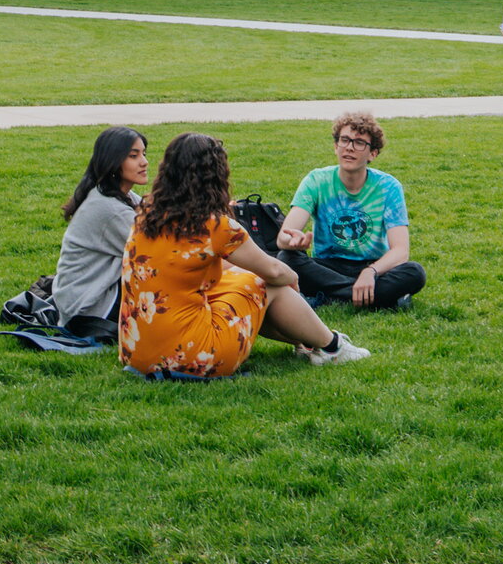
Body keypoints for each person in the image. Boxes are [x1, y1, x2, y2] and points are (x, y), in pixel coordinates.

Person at [121, 132, 370, 378]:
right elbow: (273, 270)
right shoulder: (215, 226)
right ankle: (332, 346)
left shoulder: (147, 211)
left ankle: (310, 343)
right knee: (265, 283)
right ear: (216, 175)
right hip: (193, 358)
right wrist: (291, 277)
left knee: (246, 278)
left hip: (137, 352)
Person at [275, 110, 426, 310]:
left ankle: (329, 296)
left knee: (415, 272)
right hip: (327, 265)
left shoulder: (388, 186)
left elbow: (400, 251)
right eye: (344, 140)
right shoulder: (316, 181)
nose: (349, 148)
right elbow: (282, 239)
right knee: (286, 258)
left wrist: (370, 272)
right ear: (336, 146)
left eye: (359, 142)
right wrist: (292, 242)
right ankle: (375, 298)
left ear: (373, 153)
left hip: (372, 266)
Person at [51, 127, 149, 340]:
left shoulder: (115, 194)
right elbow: (157, 251)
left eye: (143, 154)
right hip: (89, 309)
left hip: (80, 299)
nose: (144, 162)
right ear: (113, 162)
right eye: (134, 156)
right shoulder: (110, 210)